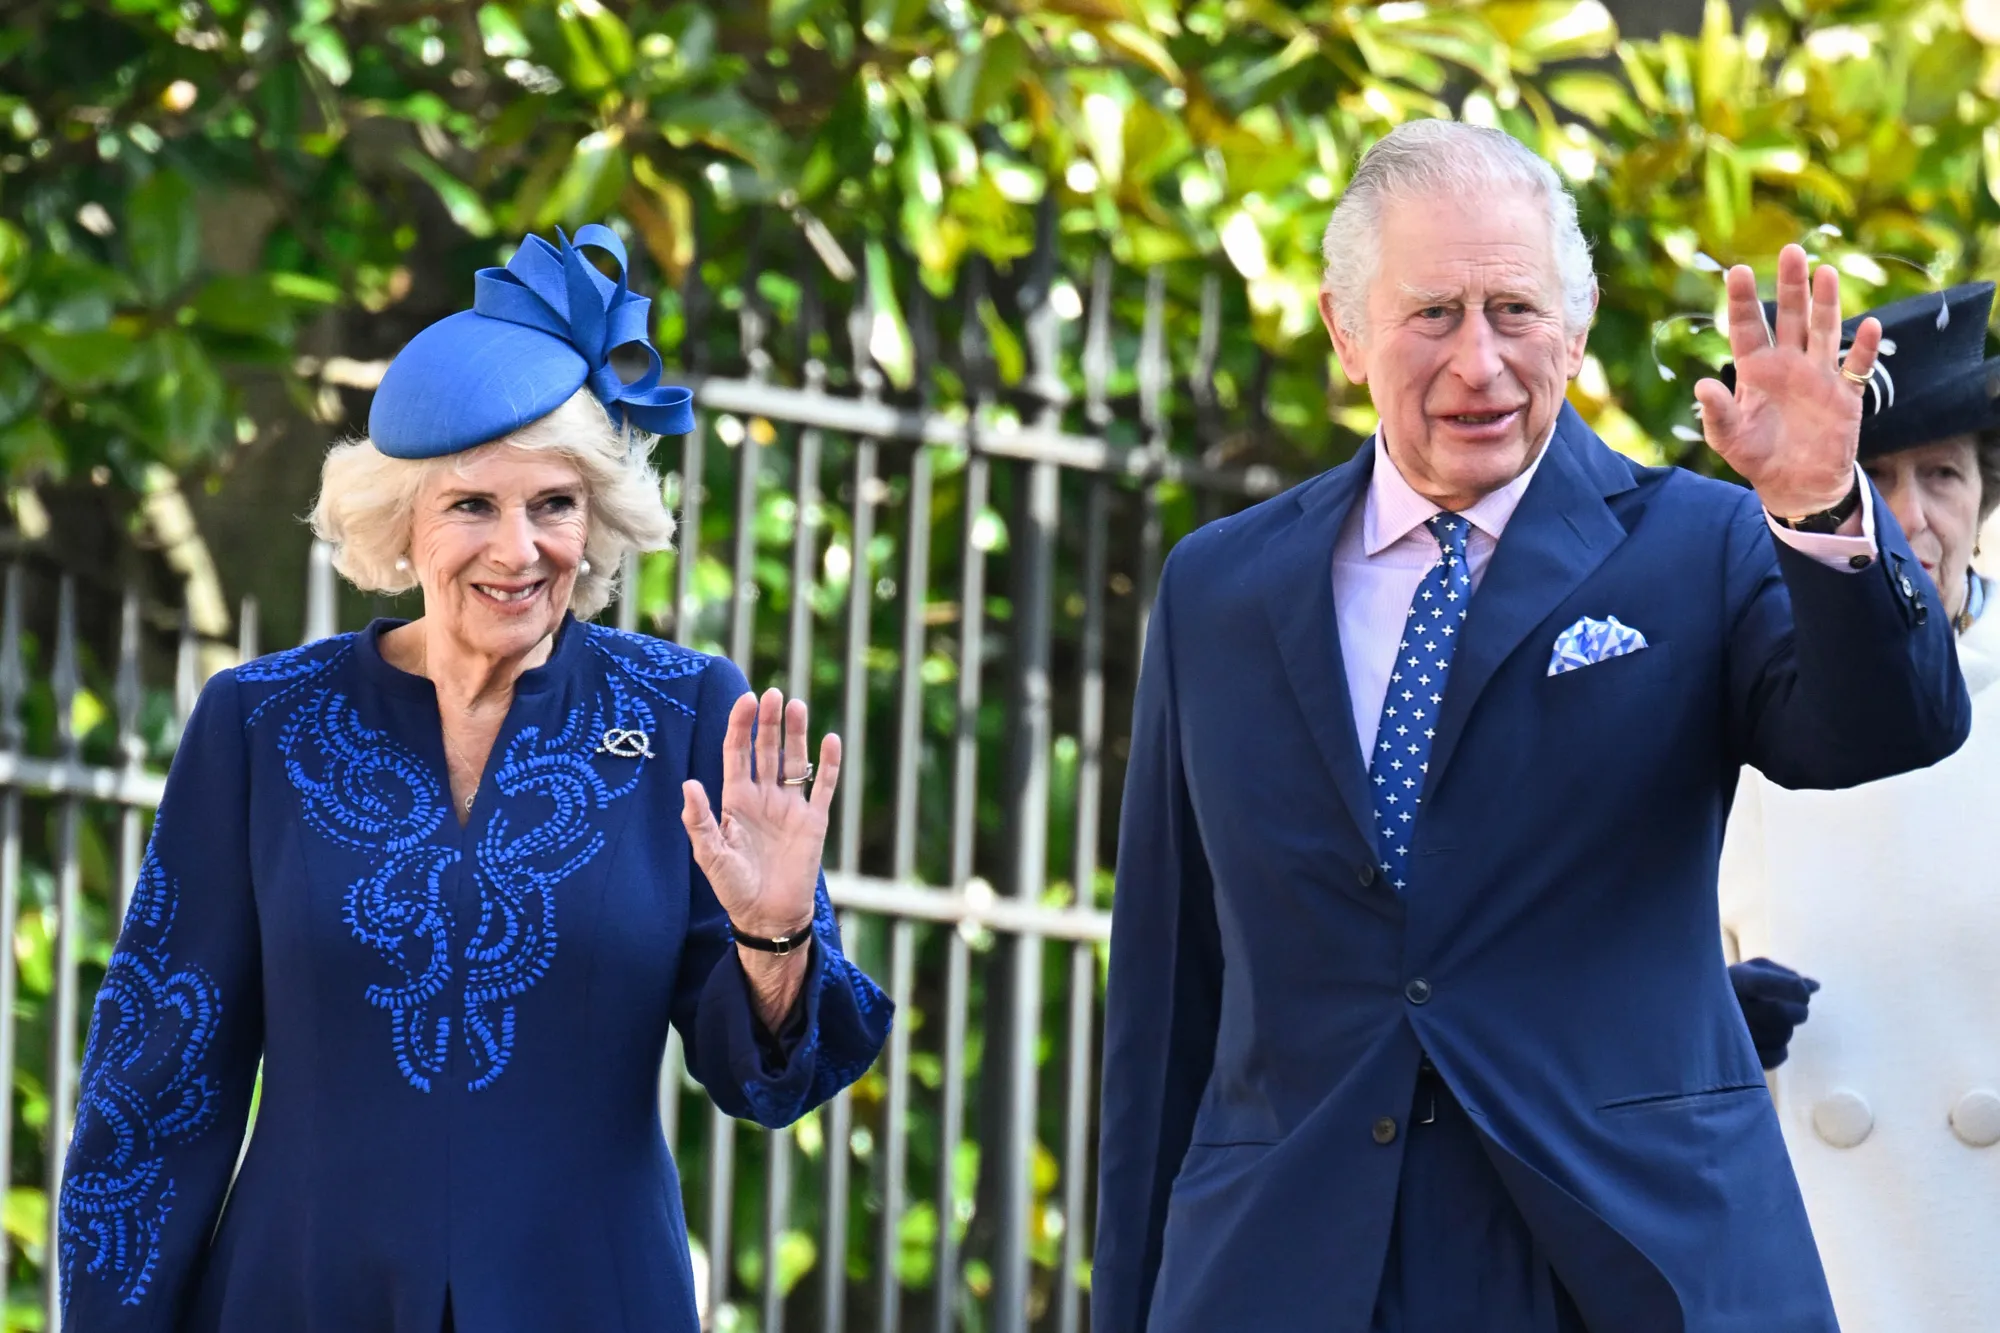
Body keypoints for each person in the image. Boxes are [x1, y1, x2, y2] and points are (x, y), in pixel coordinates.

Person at [1092, 118, 1970, 1333]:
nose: (1478, 362)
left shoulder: (1698, 547)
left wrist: (1818, 504)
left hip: (1618, 1258)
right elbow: (1168, 987)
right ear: (1345, 332)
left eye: (1512, 309)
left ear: (1575, 318)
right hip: (1284, 1267)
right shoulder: (1218, 589)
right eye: (1431, 314)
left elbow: (1887, 727)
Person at [55, 224, 893, 1332]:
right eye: (472, 506)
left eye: (553, 503)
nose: (519, 548)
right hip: (299, 1299)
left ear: (596, 522)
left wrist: (777, 937)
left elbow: (769, 1080)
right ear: (400, 523)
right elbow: (157, 1080)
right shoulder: (260, 724)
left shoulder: (684, 710)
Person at [1719, 281, 2000, 1331]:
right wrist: (1701, 1018)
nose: (1908, 517)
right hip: (1805, 1257)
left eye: (1941, 474)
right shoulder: (1736, 694)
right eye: (1869, 477)